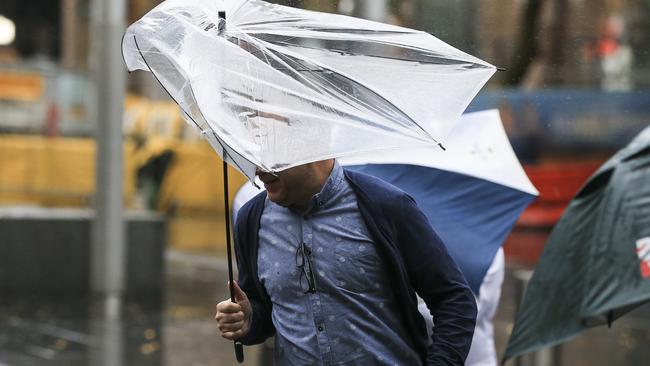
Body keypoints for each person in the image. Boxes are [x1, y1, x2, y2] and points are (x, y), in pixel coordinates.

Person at [215, 159, 477, 365]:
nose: (258, 169)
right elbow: (264, 313)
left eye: (271, 154)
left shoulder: (386, 206)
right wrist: (248, 320)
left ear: (311, 146)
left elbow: (454, 299)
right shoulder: (251, 219)